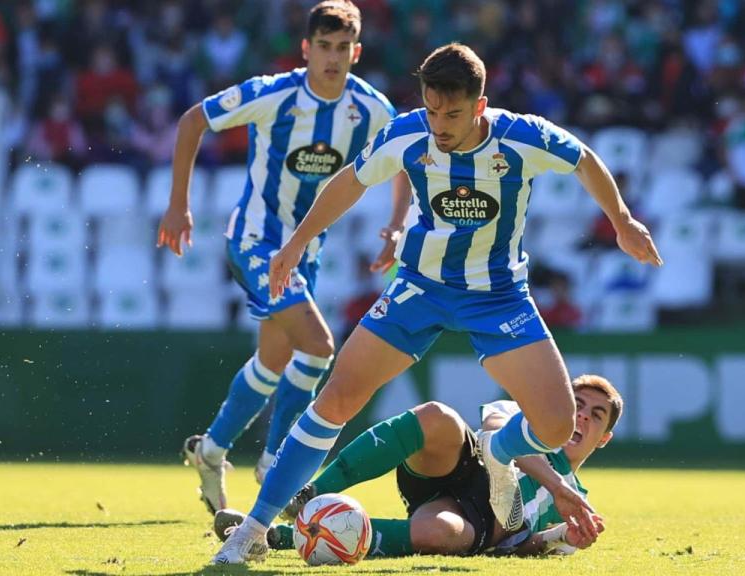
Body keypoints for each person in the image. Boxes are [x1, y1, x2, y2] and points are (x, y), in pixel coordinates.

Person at [214, 42, 660, 565]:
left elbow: (583, 159)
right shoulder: (406, 133)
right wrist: (293, 245)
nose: (440, 124)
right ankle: (253, 529)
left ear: (479, 105)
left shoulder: (521, 137)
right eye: (432, 110)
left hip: (497, 296)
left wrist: (623, 221)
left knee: (558, 426)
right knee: (335, 398)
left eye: (452, 113)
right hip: (420, 287)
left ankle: (497, 450)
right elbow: (349, 183)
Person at [157, 0, 411, 515]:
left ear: (356, 51)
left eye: (343, 48)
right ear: (305, 49)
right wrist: (178, 205)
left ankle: (210, 451)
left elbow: (403, 156)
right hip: (255, 241)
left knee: (273, 361)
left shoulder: (370, 107)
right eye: (324, 47)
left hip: (306, 250)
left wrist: (397, 223)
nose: (333, 57)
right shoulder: (274, 94)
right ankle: (275, 464)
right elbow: (192, 121)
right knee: (318, 347)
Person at [215, 374, 622, 558]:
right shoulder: (524, 416)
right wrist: (557, 486)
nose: (582, 417)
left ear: (604, 438)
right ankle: (310, 492)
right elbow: (497, 435)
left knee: (436, 532)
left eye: (596, 415)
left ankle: (278, 538)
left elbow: (527, 546)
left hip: (476, 519)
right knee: (436, 416)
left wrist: (558, 536)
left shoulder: (580, 506)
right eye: (578, 406)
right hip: (471, 466)